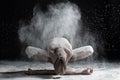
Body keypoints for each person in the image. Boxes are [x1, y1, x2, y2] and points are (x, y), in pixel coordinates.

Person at [25, 37, 94, 75]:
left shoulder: (67, 53)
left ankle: (58, 63)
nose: (60, 54)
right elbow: (62, 71)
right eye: (61, 55)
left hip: (54, 57)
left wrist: (34, 72)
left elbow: (59, 71)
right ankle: (59, 63)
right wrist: (81, 71)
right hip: (54, 56)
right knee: (28, 50)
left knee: (90, 49)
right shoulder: (67, 52)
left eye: (60, 55)